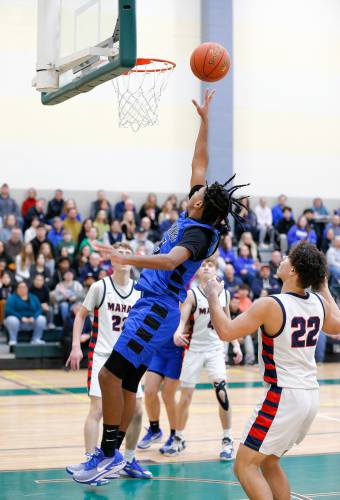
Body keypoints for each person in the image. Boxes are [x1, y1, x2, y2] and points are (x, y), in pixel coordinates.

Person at [70, 89, 249, 485]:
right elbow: (198, 162)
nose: (194, 190)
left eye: (198, 193)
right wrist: (204, 121)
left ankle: (106, 454)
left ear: (201, 205)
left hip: (157, 309)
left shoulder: (201, 235)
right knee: (128, 381)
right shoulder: (196, 214)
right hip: (150, 307)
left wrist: (127, 258)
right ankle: (113, 456)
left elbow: (170, 262)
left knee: (108, 377)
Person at [204, 241, 340, 500]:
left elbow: (225, 331)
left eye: (288, 257)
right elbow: (337, 325)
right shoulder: (318, 303)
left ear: (293, 272)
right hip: (309, 395)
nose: (282, 259)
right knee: (269, 461)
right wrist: (322, 287)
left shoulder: (271, 305)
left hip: (283, 397)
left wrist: (212, 296)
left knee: (244, 465)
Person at [66, 243, 152, 481]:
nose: (124, 257)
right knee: (98, 408)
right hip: (103, 356)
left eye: (128, 253)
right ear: (112, 260)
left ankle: (129, 458)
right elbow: (81, 315)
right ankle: (90, 460)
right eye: (120, 253)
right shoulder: (100, 286)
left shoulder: (140, 291)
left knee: (136, 410)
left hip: (129, 358)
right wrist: (76, 346)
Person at [166, 257, 242, 459]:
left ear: (217, 271)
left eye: (211, 265)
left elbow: (228, 320)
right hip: (194, 349)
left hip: (216, 349)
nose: (207, 267)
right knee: (186, 397)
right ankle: (179, 438)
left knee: (222, 392)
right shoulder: (192, 294)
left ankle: (227, 439)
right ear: (198, 272)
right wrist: (177, 332)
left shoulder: (224, 293)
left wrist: (235, 344)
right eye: (203, 265)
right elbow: (183, 318)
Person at [4, 281, 46, 346]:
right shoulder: (12, 298)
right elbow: (8, 310)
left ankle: (36, 339)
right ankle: (13, 340)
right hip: (18, 322)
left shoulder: (33, 297)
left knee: (41, 319)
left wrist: (34, 317)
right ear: (17, 289)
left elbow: (39, 309)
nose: (22, 289)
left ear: (27, 288)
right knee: (11, 319)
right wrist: (21, 317)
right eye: (20, 287)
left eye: (24, 287)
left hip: (31, 321)